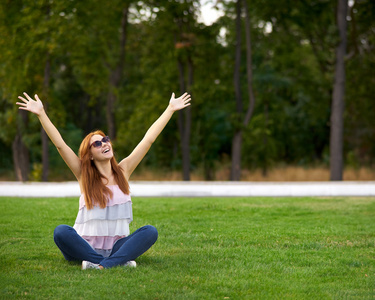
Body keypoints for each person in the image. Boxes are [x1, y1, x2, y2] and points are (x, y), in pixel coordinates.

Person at [16, 91, 191, 270]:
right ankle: (117, 262)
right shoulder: (83, 175)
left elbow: (148, 140)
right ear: (90, 155)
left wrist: (170, 109)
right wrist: (41, 114)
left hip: (117, 247)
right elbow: (60, 144)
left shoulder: (123, 171)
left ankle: (102, 264)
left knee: (150, 232)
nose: (105, 144)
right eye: (97, 144)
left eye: (105, 140)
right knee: (61, 231)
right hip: (83, 246)